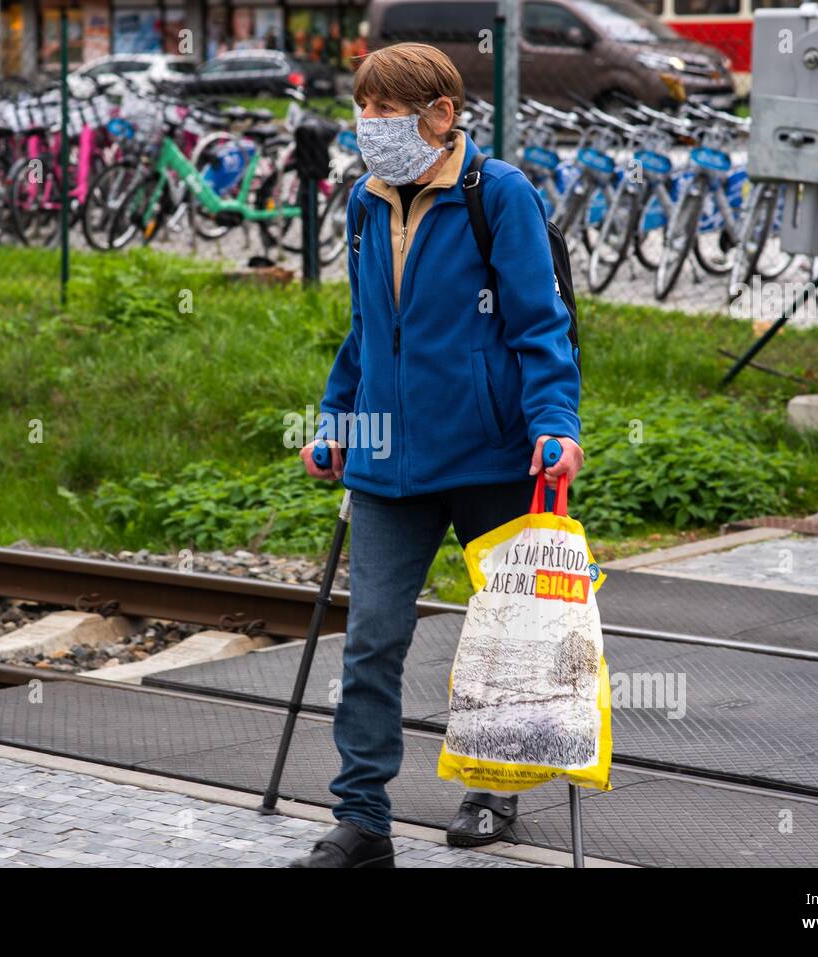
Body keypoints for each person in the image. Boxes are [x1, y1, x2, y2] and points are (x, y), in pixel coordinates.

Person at [288, 42, 583, 868]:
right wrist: (336, 419)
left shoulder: (501, 195)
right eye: (365, 108)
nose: (369, 126)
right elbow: (365, 331)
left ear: (440, 115)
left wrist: (556, 422)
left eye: (385, 112)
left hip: (494, 457)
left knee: (506, 634)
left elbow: (538, 325)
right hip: (387, 462)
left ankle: (495, 793)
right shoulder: (363, 200)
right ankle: (362, 819)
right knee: (372, 638)